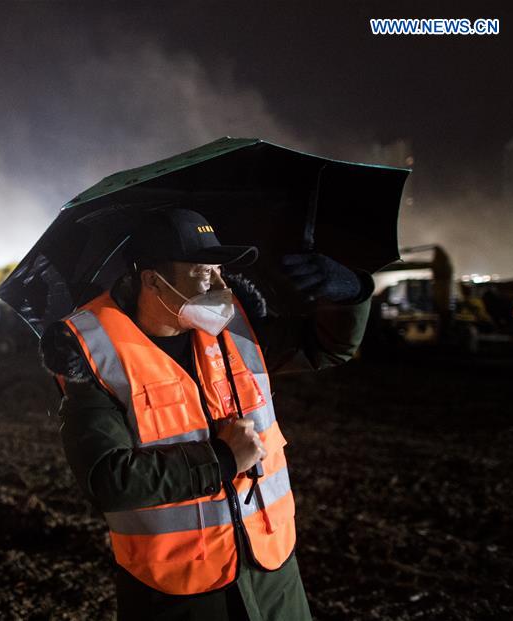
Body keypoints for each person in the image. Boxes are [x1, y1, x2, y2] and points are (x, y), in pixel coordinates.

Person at [39, 208, 374, 620]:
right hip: (178, 593)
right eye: (203, 273)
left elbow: (329, 346)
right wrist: (223, 459)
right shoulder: (96, 356)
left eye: (219, 271)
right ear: (153, 281)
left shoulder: (236, 329)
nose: (220, 285)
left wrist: (350, 292)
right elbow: (109, 480)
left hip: (272, 574)